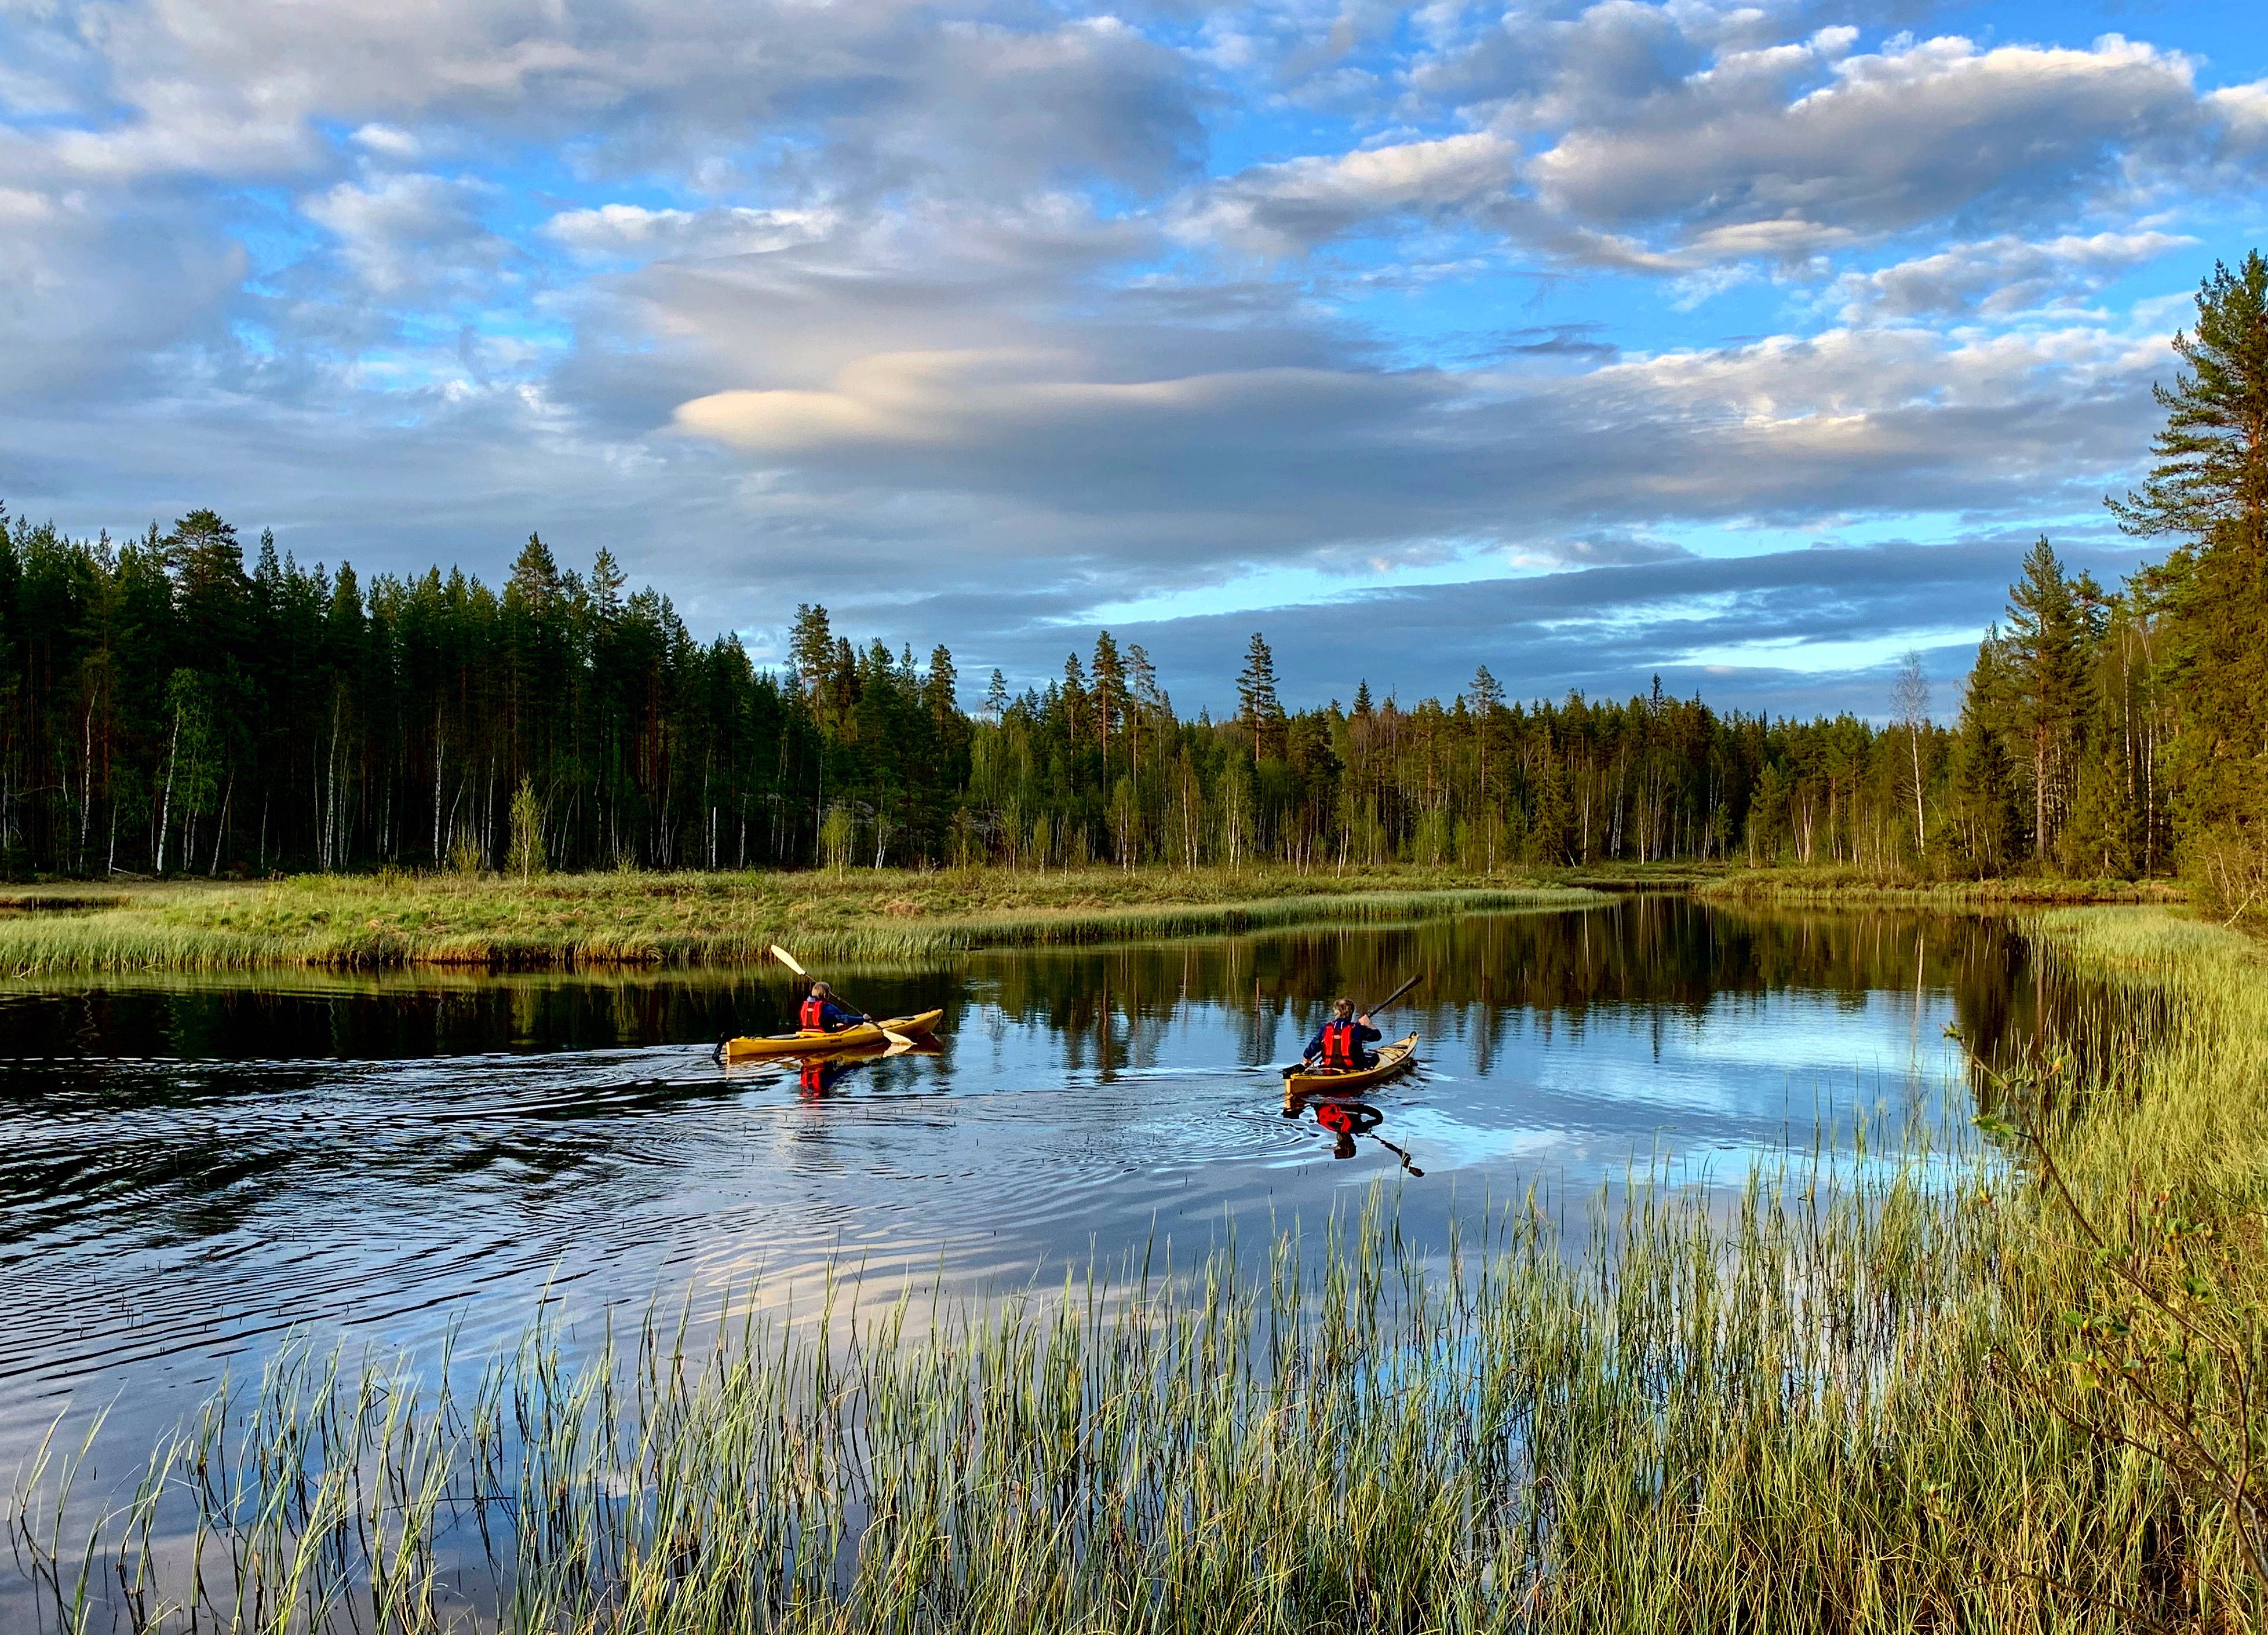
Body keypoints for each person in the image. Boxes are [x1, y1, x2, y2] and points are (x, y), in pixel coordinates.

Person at [1302, 997, 1380, 1073]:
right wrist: (1368, 1024)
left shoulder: (1325, 1028)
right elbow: (1377, 1036)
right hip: (1354, 1067)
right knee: (1376, 1057)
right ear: (1351, 1013)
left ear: (1336, 1012)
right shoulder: (1357, 1029)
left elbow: (1313, 1046)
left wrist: (1307, 1058)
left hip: (1329, 1065)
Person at [797, 981, 867, 1034]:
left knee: (839, 1025)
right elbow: (846, 1019)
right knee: (847, 1026)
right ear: (825, 995)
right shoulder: (828, 1007)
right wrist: (863, 1019)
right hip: (823, 1035)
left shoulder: (805, 1005)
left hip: (806, 1033)